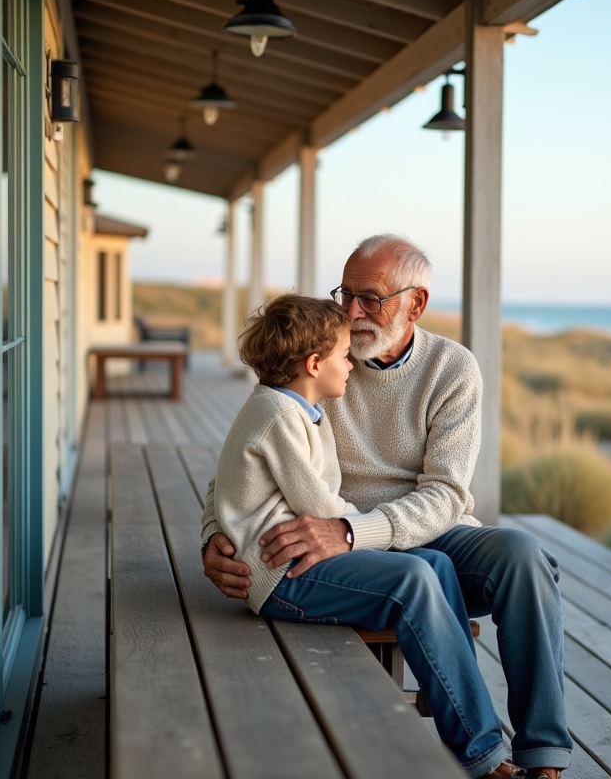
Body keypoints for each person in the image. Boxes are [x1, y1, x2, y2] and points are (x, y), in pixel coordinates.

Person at [203, 236, 571, 779]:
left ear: (414, 304)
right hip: (331, 541)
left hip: (410, 530)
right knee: (420, 579)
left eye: (370, 298)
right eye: (346, 293)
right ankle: (481, 746)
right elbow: (241, 460)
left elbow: (446, 495)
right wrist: (216, 535)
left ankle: (543, 757)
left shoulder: (453, 369)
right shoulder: (319, 357)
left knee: (523, 555)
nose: (352, 313)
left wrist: (353, 532)